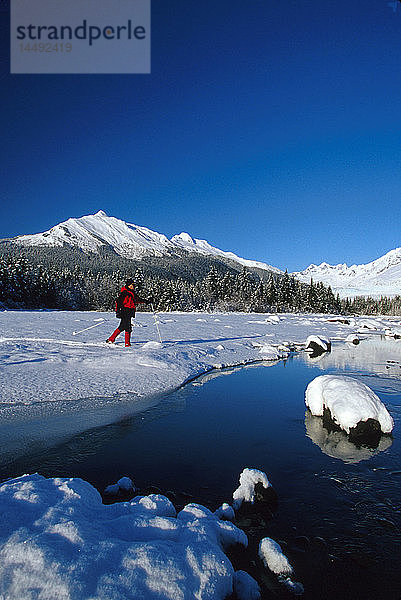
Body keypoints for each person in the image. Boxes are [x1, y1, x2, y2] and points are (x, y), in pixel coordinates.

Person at [106, 279, 150, 347]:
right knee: (127, 327)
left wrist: (146, 301)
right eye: (132, 285)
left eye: (134, 285)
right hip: (125, 311)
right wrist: (118, 311)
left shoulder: (131, 292)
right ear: (129, 285)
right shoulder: (125, 293)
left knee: (123, 327)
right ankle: (126, 344)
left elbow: (136, 300)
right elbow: (118, 302)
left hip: (129, 312)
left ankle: (111, 339)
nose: (133, 286)